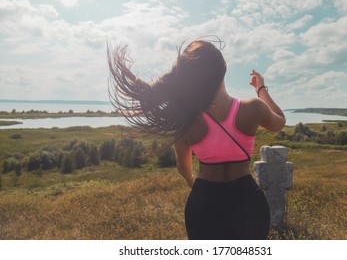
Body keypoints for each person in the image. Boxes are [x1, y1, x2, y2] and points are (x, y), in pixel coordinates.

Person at [107, 38, 286, 240]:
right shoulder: (253, 107)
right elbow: (280, 121)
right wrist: (261, 89)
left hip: (204, 202)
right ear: (223, 70)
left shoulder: (186, 119)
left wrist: (195, 184)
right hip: (247, 200)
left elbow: (182, 167)